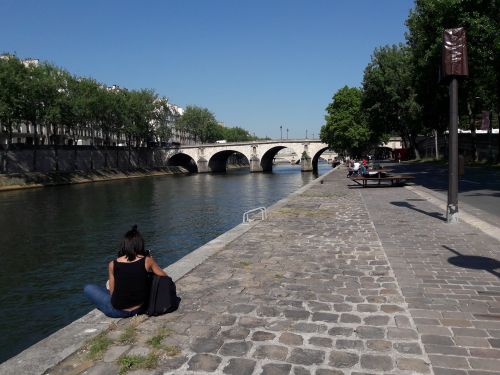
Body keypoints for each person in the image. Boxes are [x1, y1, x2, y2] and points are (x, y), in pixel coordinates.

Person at [84, 225, 168, 318]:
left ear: (124, 245)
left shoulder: (113, 264)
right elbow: (164, 276)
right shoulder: (147, 261)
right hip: (140, 308)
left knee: (89, 288)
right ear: (141, 245)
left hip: (118, 311)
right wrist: (151, 261)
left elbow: (112, 293)